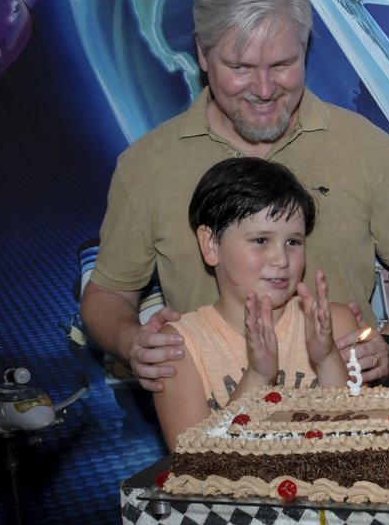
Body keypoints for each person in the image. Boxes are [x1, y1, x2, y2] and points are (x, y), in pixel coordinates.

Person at [81, 0, 389, 401]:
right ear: (201, 53)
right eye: (240, 68)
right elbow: (106, 295)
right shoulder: (146, 166)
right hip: (214, 441)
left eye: (282, 64)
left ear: (305, 48)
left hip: (350, 430)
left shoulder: (365, 147)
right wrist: (130, 341)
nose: (265, 88)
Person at [152, 157, 358, 448]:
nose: (281, 260)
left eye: (293, 242)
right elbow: (194, 466)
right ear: (211, 245)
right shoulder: (179, 346)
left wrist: (326, 360)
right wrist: (258, 376)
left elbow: (357, 444)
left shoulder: (334, 324)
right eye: (261, 240)